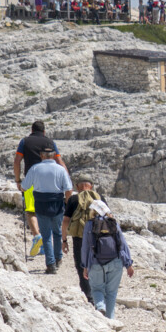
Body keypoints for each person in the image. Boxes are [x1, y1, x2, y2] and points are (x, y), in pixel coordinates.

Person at [14, 121, 63, 257]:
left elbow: (17, 161)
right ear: (44, 131)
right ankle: (51, 241)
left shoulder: (25, 142)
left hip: (31, 179)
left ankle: (37, 236)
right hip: (49, 181)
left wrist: (18, 180)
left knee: (31, 210)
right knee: (47, 209)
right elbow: (59, 161)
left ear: (32, 130)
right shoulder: (50, 142)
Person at [20, 148, 71, 274]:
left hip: (41, 203)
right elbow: (68, 189)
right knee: (57, 231)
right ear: (54, 156)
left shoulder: (35, 169)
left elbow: (24, 187)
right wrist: (67, 204)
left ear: (41, 155)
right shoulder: (60, 169)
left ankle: (50, 264)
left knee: (46, 235)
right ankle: (58, 258)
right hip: (57, 203)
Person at [81, 200, 134, 320]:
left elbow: (85, 247)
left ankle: (100, 306)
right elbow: (122, 244)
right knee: (111, 293)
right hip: (115, 262)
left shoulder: (89, 224)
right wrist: (128, 264)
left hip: (95, 262)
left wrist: (85, 266)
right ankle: (110, 320)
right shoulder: (113, 223)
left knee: (96, 289)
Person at [63, 180, 102, 302]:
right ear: (91, 186)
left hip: (80, 238)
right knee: (98, 264)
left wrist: (64, 240)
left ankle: (89, 296)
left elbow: (65, 221)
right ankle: (100, 296)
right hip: (98, 237)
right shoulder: (99, 198)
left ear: (77, 187)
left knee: (82, 265)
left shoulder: (74, 200)